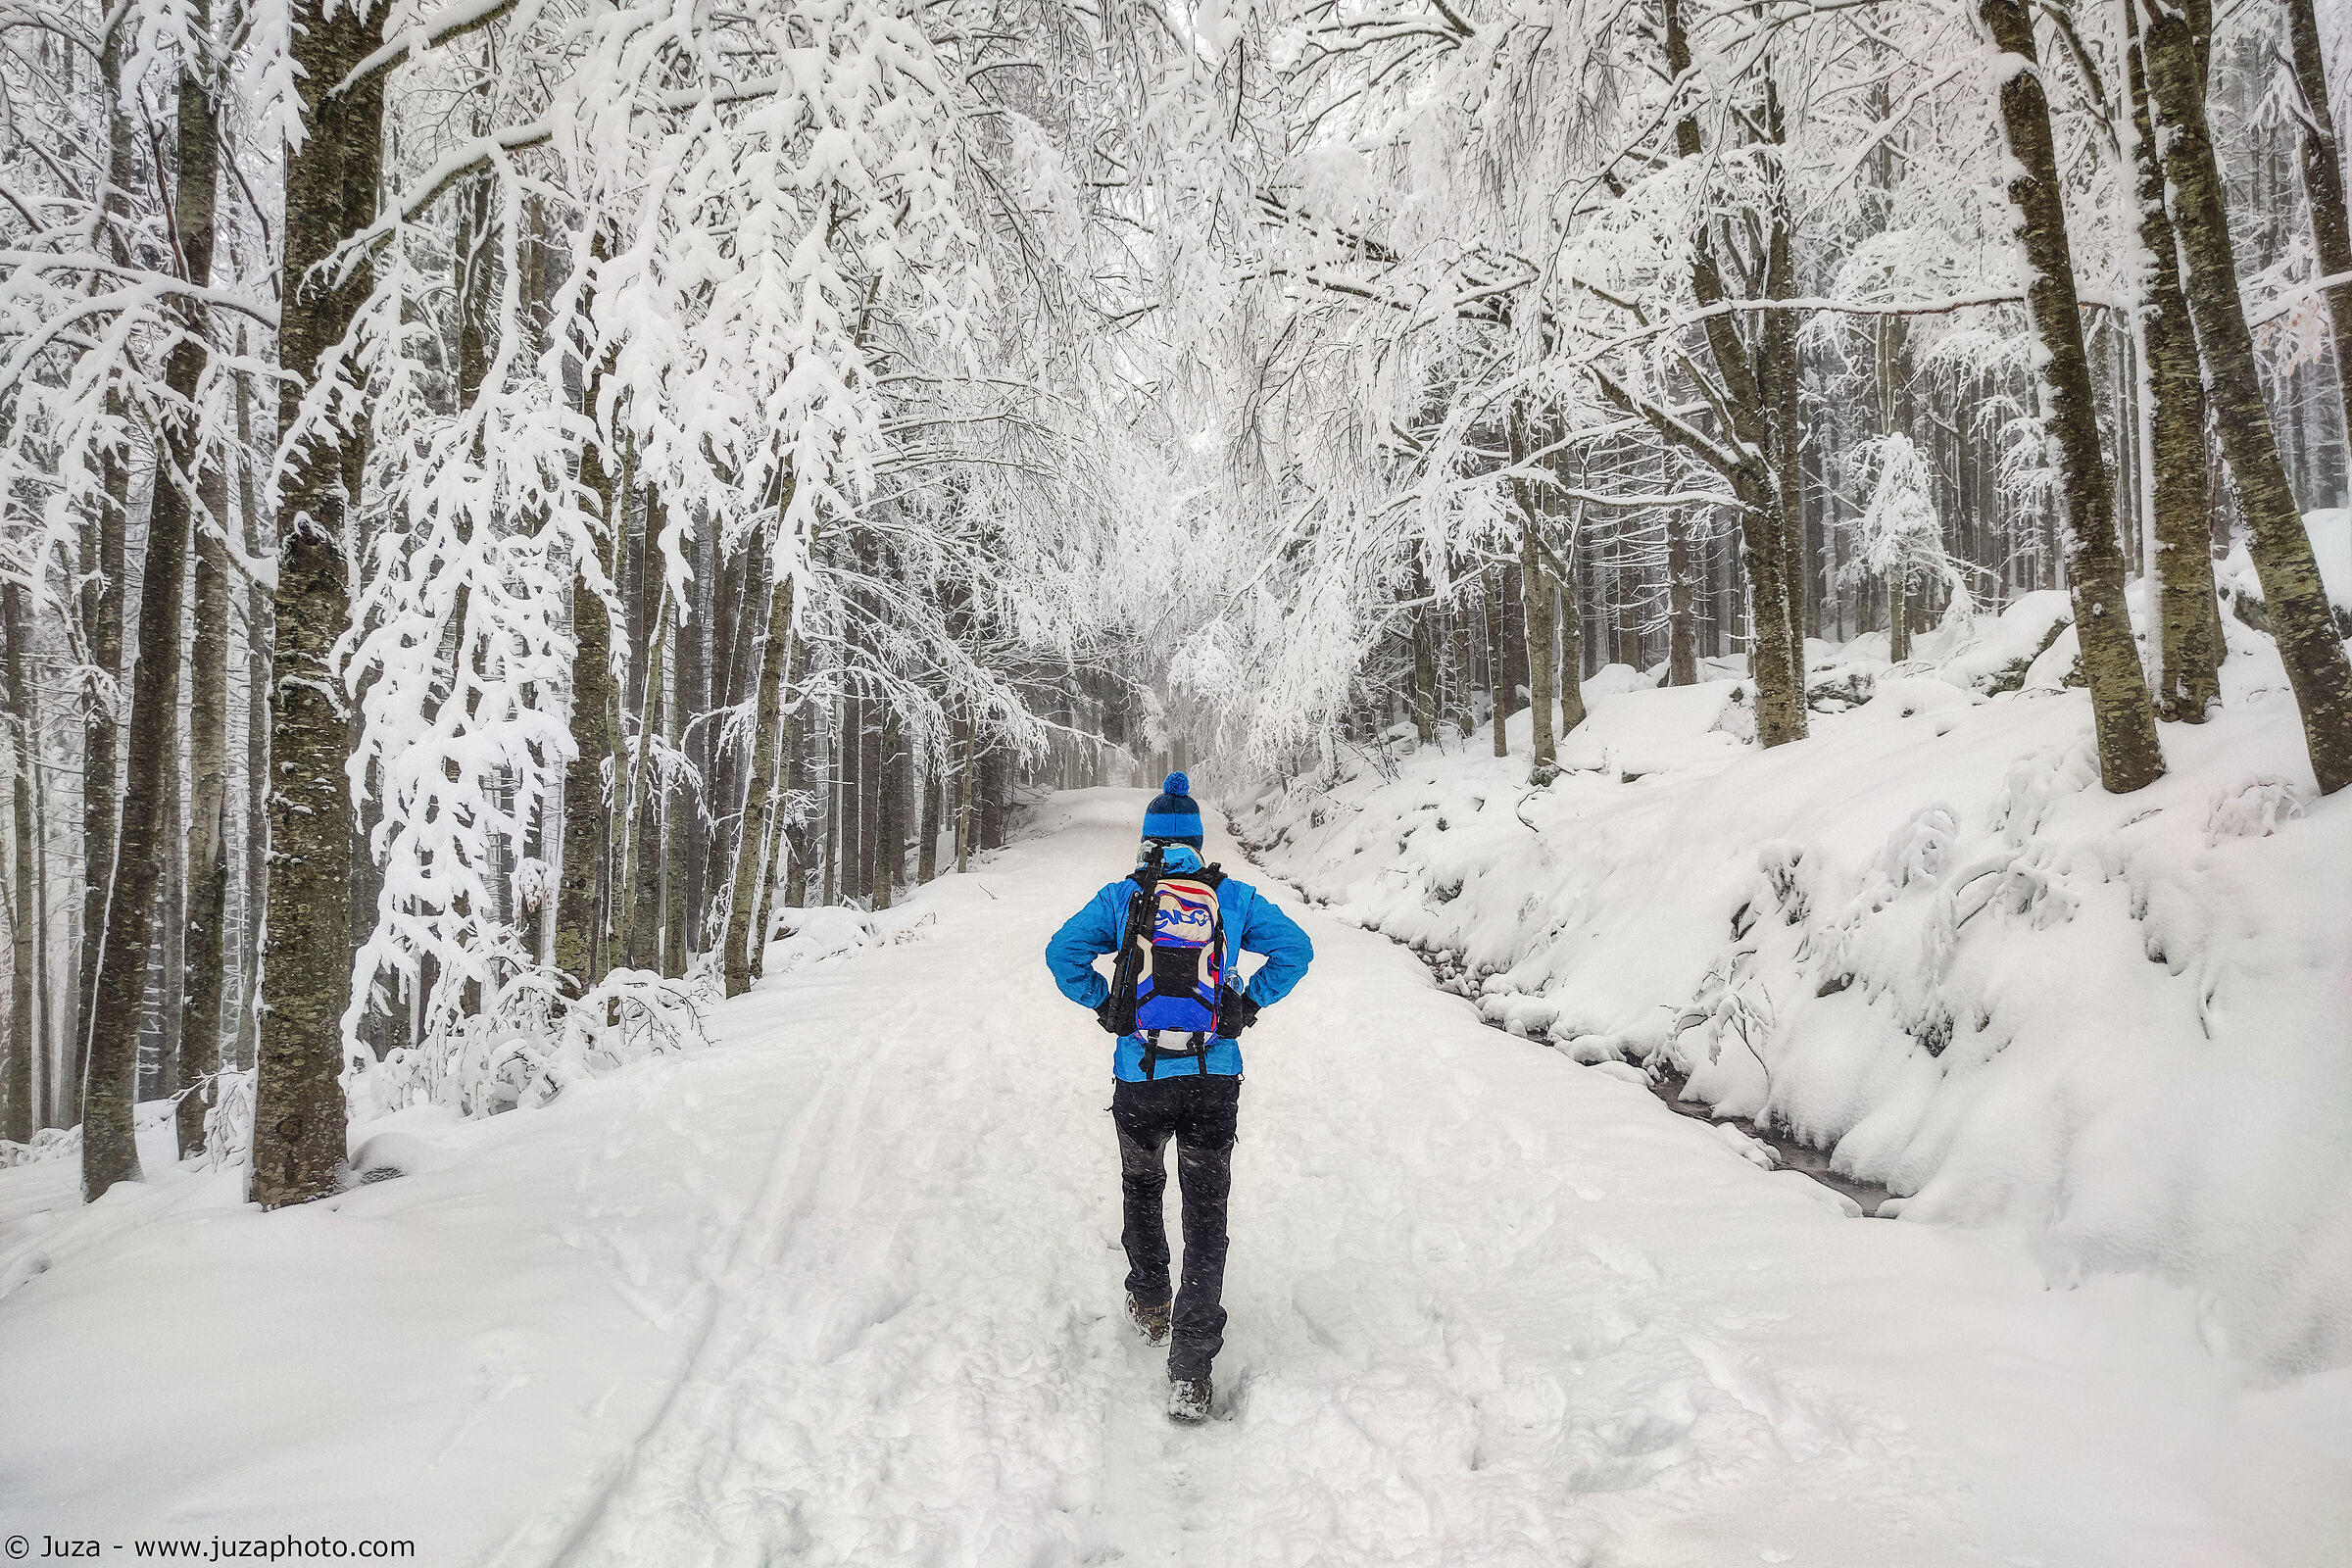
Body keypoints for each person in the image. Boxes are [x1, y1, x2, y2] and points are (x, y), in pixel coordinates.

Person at [1045, 772, 1313, 1424]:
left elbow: (1063, 953)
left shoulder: (1123, 898)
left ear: (1146, 844)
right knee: (1206, 1214)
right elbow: (1296, 950)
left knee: (1141, 1189)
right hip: (1213, 1081)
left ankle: (1151, 1298)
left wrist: (1107, 1005)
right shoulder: (1233, 897)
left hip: (1141, 1079)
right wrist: (1244, 1005)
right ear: (1197, 841)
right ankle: (1191, 1366)